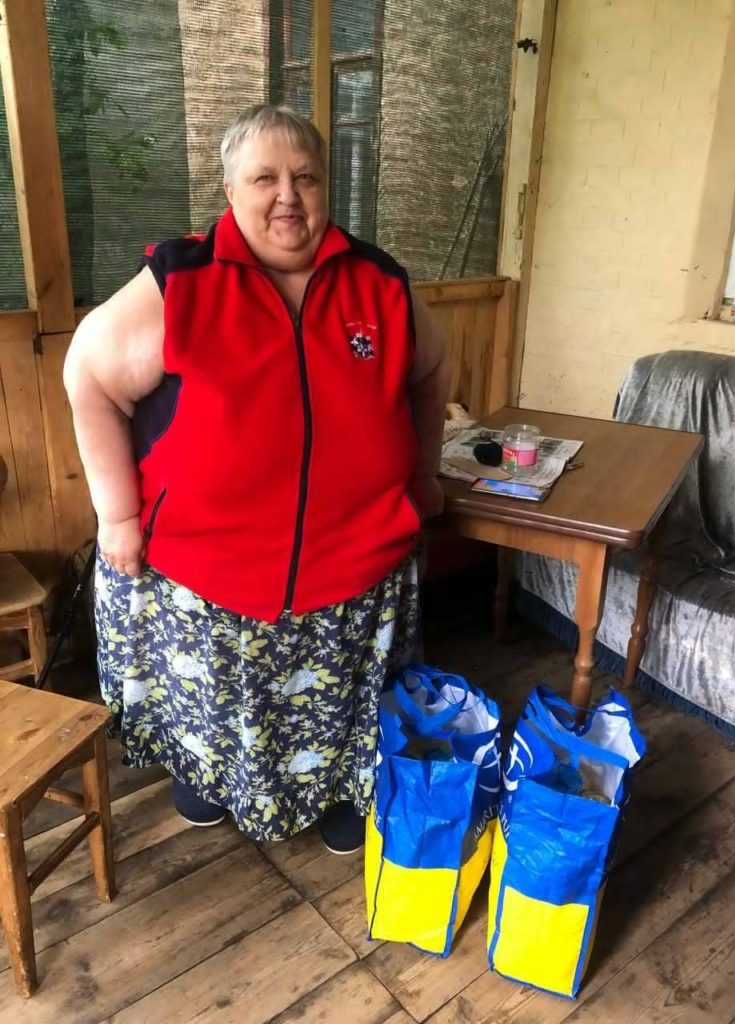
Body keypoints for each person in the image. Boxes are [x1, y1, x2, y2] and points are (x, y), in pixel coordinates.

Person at [64, 104, 450, 854]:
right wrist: (117, 517)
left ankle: (346, 791)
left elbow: (432, 375)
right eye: (264, 178)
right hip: (205, 567)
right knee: (207, 697)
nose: (288, 196)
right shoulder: (182, 279)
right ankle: (206, 778)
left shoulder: (380, 282)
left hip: (357, 562)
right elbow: (89, 377)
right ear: (230, 188)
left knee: (348, 703)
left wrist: (426, 473)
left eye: (306, 177)